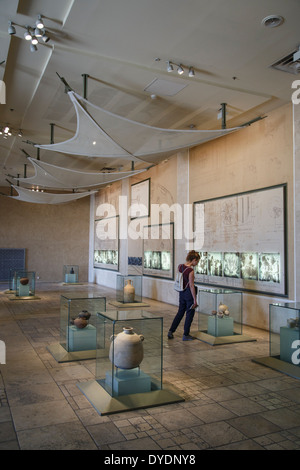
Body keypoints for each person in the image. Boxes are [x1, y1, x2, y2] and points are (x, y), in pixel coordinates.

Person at [168, 250, 200, 341]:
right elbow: (191, 285)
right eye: (197, 261)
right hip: (188, 294)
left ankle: (171, 331)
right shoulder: (191, 271)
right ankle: (186, 334)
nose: (197, 263)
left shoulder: (180, 266)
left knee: (180, 312)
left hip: (181, 292)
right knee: (189, 314)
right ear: (193, 259)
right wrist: (195, 300)